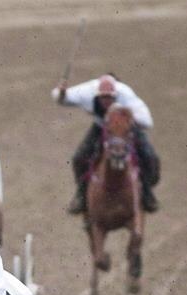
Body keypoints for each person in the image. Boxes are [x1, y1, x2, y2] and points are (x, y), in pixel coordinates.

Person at [54, 73, 160, 213]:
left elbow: (147, 121)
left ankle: (147, 192)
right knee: (79, 158)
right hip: (101, 127)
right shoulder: (87, 91)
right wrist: (61, 93)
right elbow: (60, 97)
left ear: (116, 95)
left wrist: (128, 118)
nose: (106, 101)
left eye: (110, 97)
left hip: (125, 128)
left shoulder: (126, 94)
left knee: (150, 156)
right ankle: (81, 194)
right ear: (97, 95)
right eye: (103, 97)